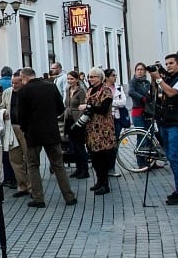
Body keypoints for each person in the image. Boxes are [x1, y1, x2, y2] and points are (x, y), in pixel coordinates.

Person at [17, 67, 77, 208]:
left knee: (33, 166)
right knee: (58, 165)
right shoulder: (50, 86)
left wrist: (25, 129)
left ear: (24, 77)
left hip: (33, 134)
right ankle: (69, 197)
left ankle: (39, 198)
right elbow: (60, 109)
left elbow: (21, 116)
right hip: (51, 132)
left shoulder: (23, 92)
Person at [151, 53, 178, 206]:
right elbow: (159, 95)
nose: (168, 66)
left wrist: (159, 78)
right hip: (166, 122)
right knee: (171, 158)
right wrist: (155, 80)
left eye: (171, 63)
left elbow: (171, 92)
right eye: (166, 63)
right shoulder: (168, 78)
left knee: (176, 158)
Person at [80, 68, 117, 196]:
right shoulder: (90, 90)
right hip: (91, 128)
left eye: (94, 77)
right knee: (94, 157)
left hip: (103, 129)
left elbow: (103, 108)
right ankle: (99, 181)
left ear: (100, 78)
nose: (91, 79)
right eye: (89, 77)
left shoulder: (105, 90)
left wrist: (88, 107)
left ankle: (105, 183)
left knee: (102, 156)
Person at [1, 70, 34, 194]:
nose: (14, 86)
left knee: (29, 157)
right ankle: (22, 185)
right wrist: (3, 113)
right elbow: (2, 106)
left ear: (22, 81)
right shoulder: (7, 92)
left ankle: (32, 186)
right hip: (11, 126)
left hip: (25, 128)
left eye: (16, 83)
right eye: (12, 83)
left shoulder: (28, 92)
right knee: (14, 158)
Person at [62, 70, 90, 180]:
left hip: (77, 121)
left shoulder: (81, 91)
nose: (70, 81)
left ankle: (85, 170)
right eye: (68, 79)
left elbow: (83, 106)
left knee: (79, 146)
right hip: (68, 120)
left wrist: (80, 121)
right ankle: (78, 169)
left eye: (72, 79)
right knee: (72, 146)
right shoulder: (68, 89)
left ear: (77, 79)